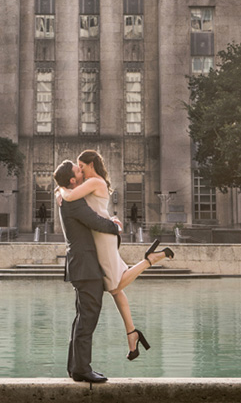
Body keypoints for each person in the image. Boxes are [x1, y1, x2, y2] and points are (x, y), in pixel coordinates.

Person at [57, 149, 174, 361]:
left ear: (90, 164)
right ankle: (132, 334)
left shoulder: (93, 181)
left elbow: (72, 195)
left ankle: (150, 259)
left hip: (103, 236)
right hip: (101, 234)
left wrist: (61, 190)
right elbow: (96, 208)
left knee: (115, 286)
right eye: (78, 169)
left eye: (81, 166)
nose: (80, 171)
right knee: (116, 290)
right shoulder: (92, 183)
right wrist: (112, 218)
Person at [54, 159, 122, 384]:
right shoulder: (73, 201)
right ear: (73, 180)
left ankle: (75, 367)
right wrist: (115, 226)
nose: (81, 171)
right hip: (85, 266)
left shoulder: (67, 196)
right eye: (78, 170)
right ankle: (82, 369)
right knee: (88, 317)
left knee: (81, 318)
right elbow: (94, 221)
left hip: (81, 265)